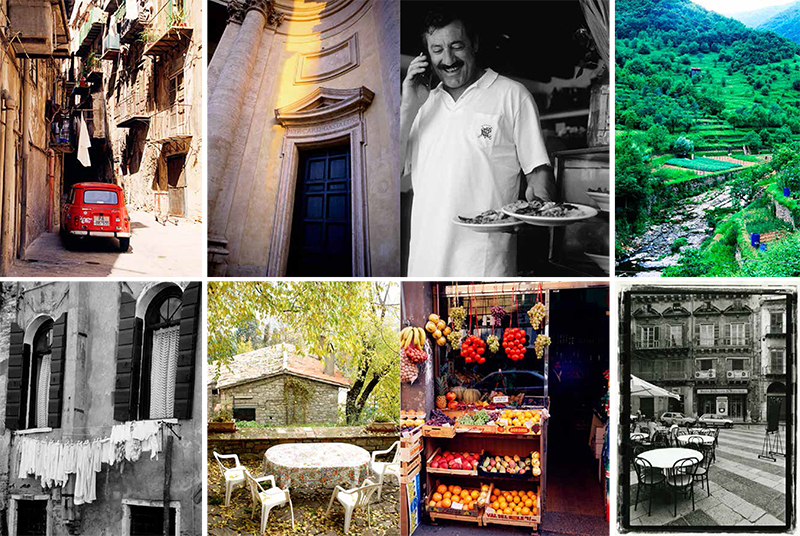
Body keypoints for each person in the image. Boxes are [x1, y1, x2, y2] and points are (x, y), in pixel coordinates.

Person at [401, 9, 555, 276]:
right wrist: (408, 107)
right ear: (427, 54)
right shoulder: (421, 105)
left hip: (485, 263)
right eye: (437, 50)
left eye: (456, 46)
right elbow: (388, 175)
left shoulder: (512, 95)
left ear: (475, 43)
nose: (447, 59)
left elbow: (538, 171)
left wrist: (537, 208)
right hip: (425, 260)